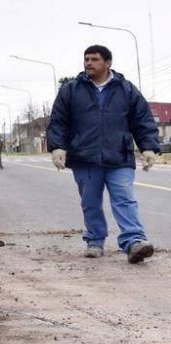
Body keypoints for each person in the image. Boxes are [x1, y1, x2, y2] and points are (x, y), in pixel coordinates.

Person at [47, 44, 160, 263]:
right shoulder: (71, 90)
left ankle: (134, 242)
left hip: (119, 156)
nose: (88, 63)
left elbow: (142, 120)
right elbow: (59, 121)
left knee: (124, 199)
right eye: (86, 59)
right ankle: (95, 240)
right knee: (90, 202)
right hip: (84, 157)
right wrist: (58, 147)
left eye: (94, 59)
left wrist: (148, 147)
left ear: (108, 63)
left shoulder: (126, 89)